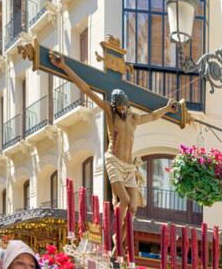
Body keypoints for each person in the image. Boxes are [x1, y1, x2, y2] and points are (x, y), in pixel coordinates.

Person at [48, 50, 176, 254]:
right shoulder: (110, 112)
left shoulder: (134, 119)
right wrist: (64, 66)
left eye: (124, 106)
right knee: (124, 201)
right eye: (119, 107)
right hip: (114, 160)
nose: (122, 109)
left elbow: (152, 117)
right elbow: (87, 89)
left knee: (133, 207)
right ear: (115, 106)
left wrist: (167, 109)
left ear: (127, 104)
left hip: (129, 166)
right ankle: (112, 236)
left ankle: (119, 240)